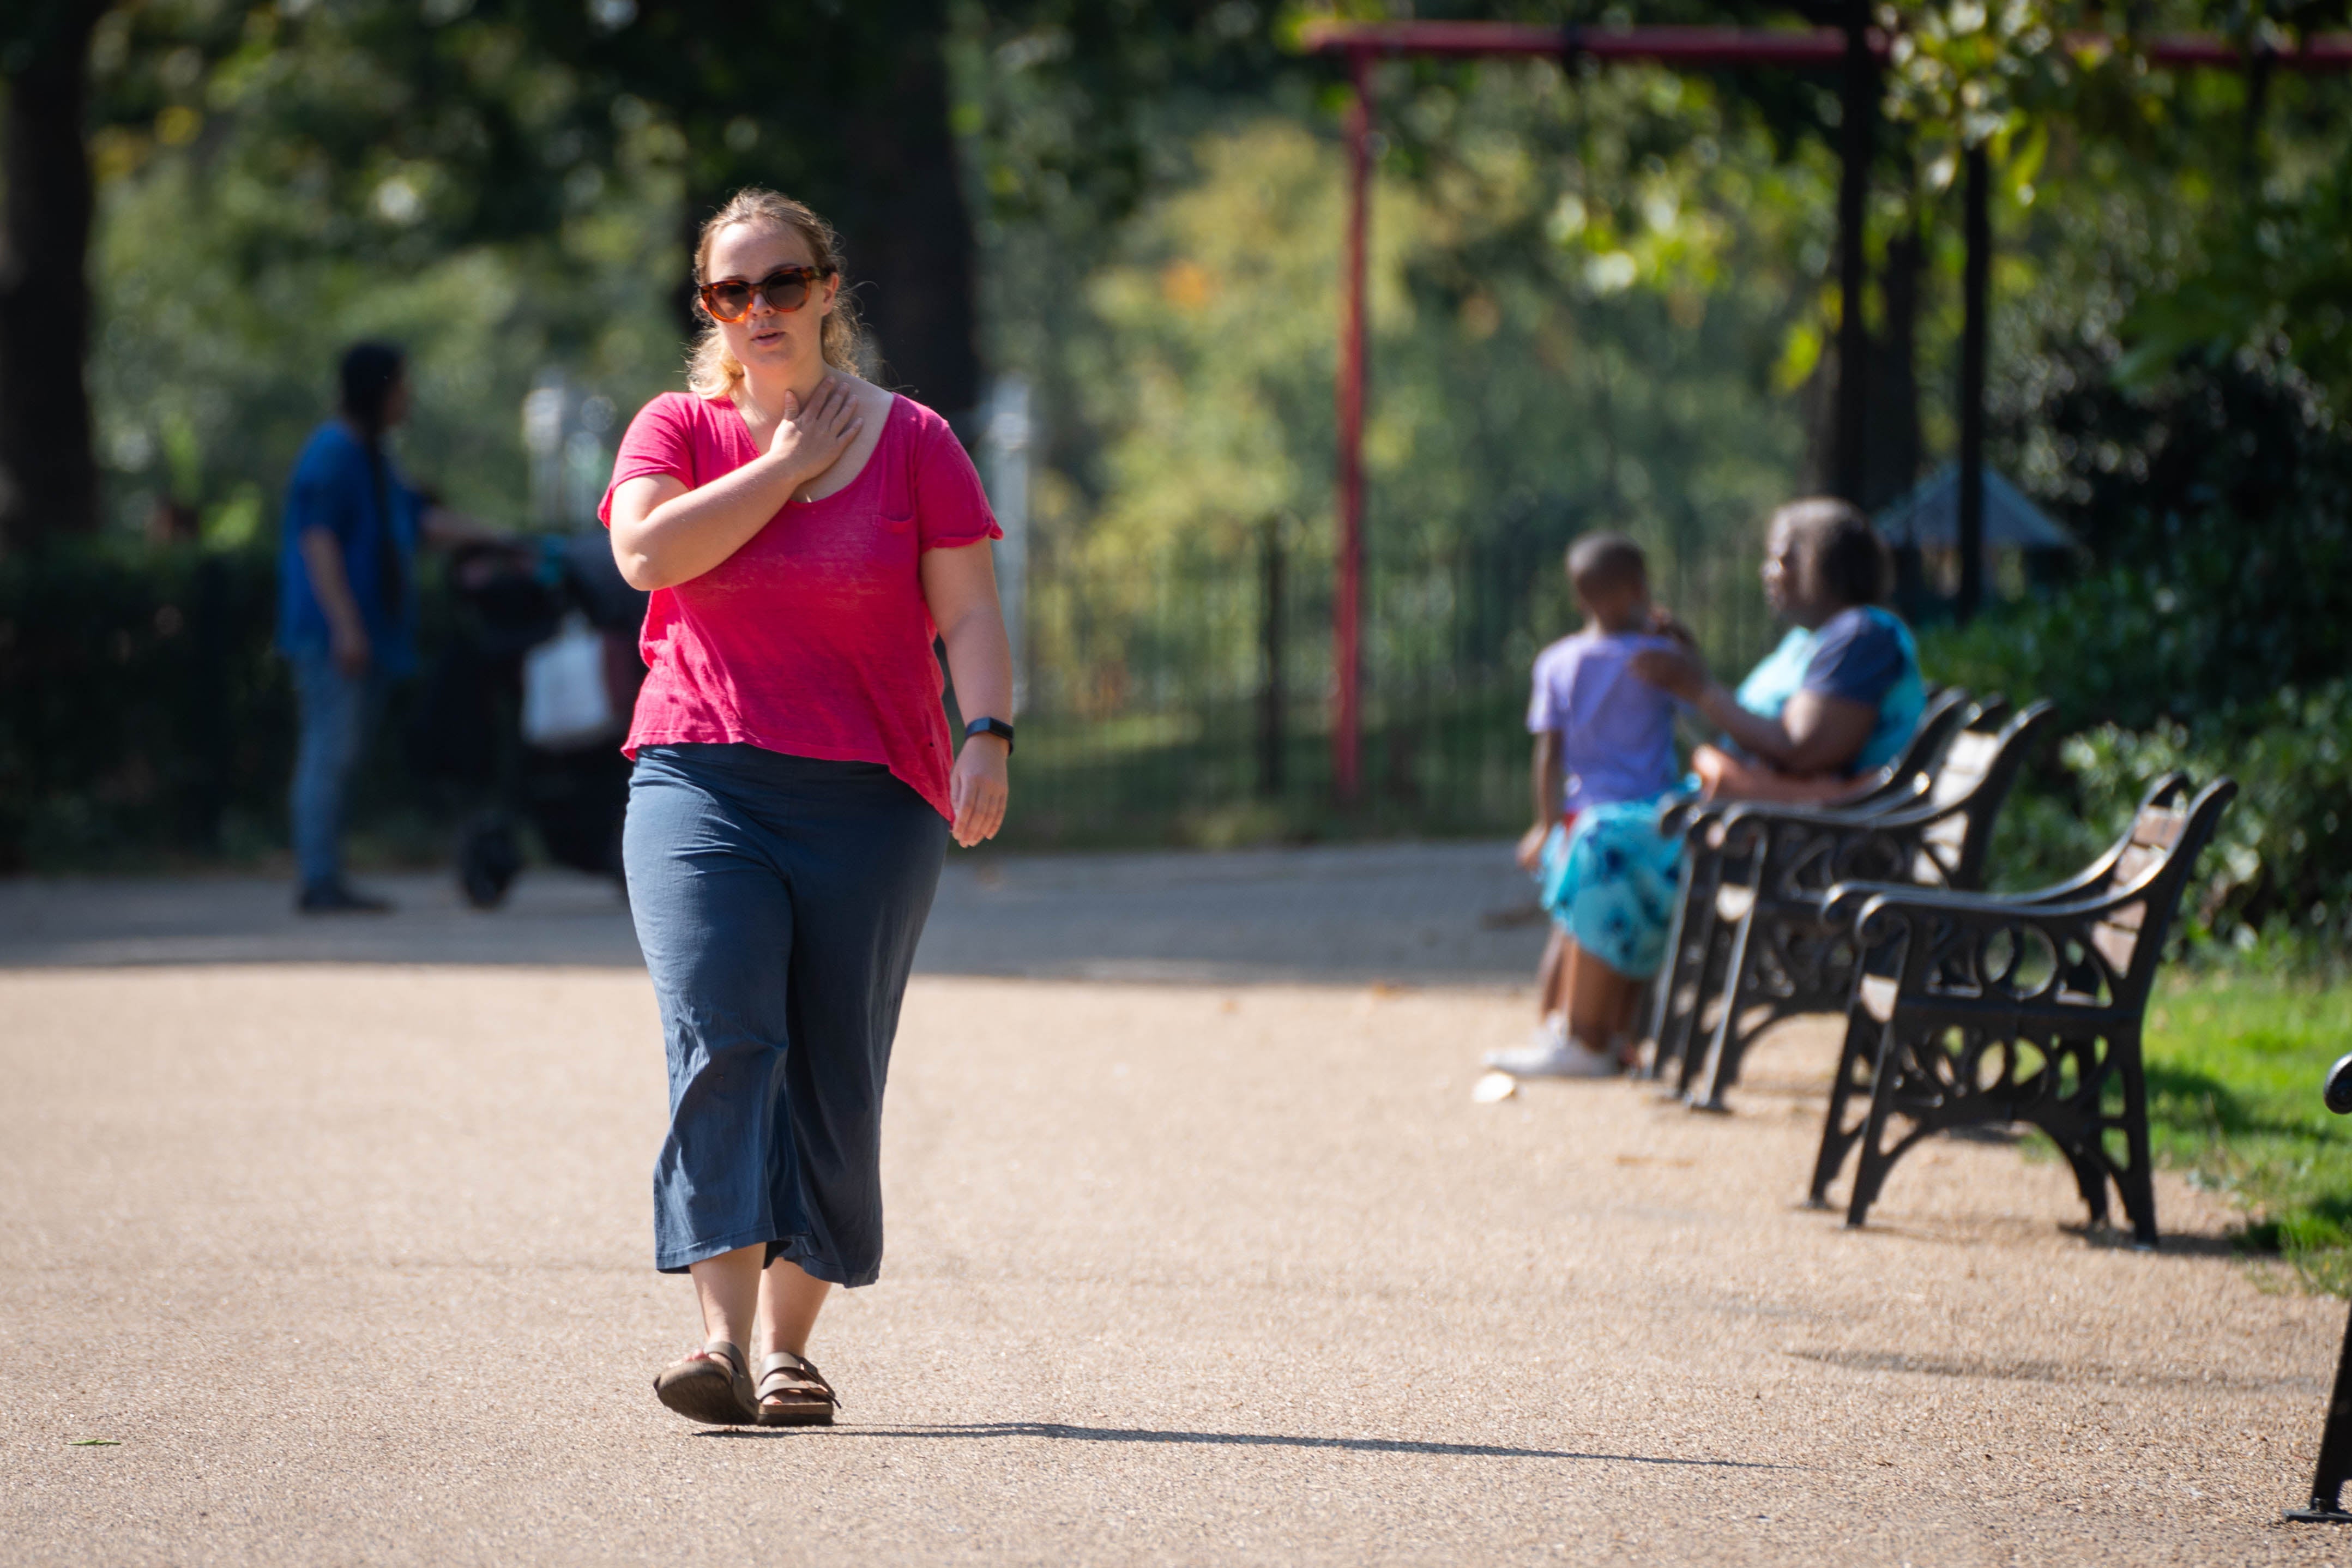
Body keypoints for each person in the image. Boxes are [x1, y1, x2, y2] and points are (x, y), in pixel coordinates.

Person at [601, 188, 1014, 1427]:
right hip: (699, 780)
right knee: (724, 1037)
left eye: (784, 283)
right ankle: (718, 1340)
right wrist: (781, 468)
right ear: (710, 309)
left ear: (829, 289)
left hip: (870, 797)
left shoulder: (916, 442)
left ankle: (789, 1349)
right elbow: (647, 557)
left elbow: (974, 613)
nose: (762, 309)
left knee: (835, 1067)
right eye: (735, 291)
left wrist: (985, 729)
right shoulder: (677, 428)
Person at [1491, 498, 1925, 1079]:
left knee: (1605, 836)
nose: (1768, 573)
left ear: (1819, 561)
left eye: (1781, 559)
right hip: (1760, 826)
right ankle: (1587, 1031)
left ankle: (1589, 1039)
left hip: (1806, 843)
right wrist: (1695, 672)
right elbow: (1756, 731)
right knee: (1603, 830)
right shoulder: (1815, 640)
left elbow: (1804, 747)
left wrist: (1697, 686)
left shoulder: (1861, 634)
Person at [276, 342, 491, 914]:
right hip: (333, 639)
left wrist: (497, 536)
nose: (408, 398)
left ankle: (329, 875)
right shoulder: (332, 454)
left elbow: (418, 522)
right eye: (401, 386)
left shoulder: (374, 457)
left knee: (343, 754)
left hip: (369, 635)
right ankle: (318, 880)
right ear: (376, 390)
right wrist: (346, 627)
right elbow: (318, 541)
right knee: (330, 752)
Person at [1492, 533, 1688, 1079]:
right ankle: (1599, 1034)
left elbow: (1548, 753)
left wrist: (1546, 823)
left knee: (1570, 927)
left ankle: (1557, 1028)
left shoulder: (1557, 661)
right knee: (1629, 930)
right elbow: (1696, 720)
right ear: (1636, 589)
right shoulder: (1659, 659)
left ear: (1578, 595)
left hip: (1585, 817)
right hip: (1649, 818)